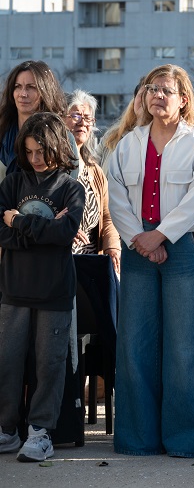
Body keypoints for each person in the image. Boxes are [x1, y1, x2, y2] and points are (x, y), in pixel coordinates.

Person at [106, 64, 194, 458]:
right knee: (135, 344)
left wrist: (160, 235)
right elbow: (116, 198)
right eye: (151, 89)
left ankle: (190, 440)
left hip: (184, 246)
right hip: (137, 245)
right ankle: (138, 439)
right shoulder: (127, 144)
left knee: (185, 346)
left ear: (183, 99)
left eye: (166, 90)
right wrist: (140, 239)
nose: (157, 95)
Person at [0, 113, 85, 462]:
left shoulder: (71, 188)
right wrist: (43, 230)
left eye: (42, 151)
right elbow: (1, 233)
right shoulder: (12, 183)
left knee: (49, 364)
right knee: (7, 362)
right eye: (29, 151)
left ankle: (40, 433)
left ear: (57, 148)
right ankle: (7, 430)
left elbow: (65, 235)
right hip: (13, 288)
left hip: (54, 291)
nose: (35, 159)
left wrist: (18, 221)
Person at [65, 90, 121, 274]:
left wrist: (112, 247)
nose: (82, 123)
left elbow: (107, 215)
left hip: (89, 264)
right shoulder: (49, 164)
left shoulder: (94, 170)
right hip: (57, 262)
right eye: (75, 115)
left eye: (88, 118)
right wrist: (61, 227)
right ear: (61, 119)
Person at [0, 61, 69, 180]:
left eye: (31, 87)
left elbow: (68, 183)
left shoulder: (61, 136)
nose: (23, 94)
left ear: (45, 91)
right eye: (17, 87)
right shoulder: (3, 131)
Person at [100, 83, 146, 166]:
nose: (146, 100)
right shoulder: (112, 136)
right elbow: (91, 165)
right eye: (142, 95)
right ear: (134, 101)